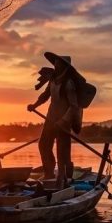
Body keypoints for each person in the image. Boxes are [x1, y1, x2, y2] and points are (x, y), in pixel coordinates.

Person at [27, 52, 82, 188]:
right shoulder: (53, 79)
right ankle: (49, 173)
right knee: (43, 145)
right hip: (51, 118)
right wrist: (34, 105)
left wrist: (64, 121)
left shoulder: (68, 83)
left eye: (59, 63)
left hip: (63, 121)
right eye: (55, 63)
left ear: (64, 67)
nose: (56, 65)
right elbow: (45, 96)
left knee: (62, 151)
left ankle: (64, 178)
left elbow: (74, 106)